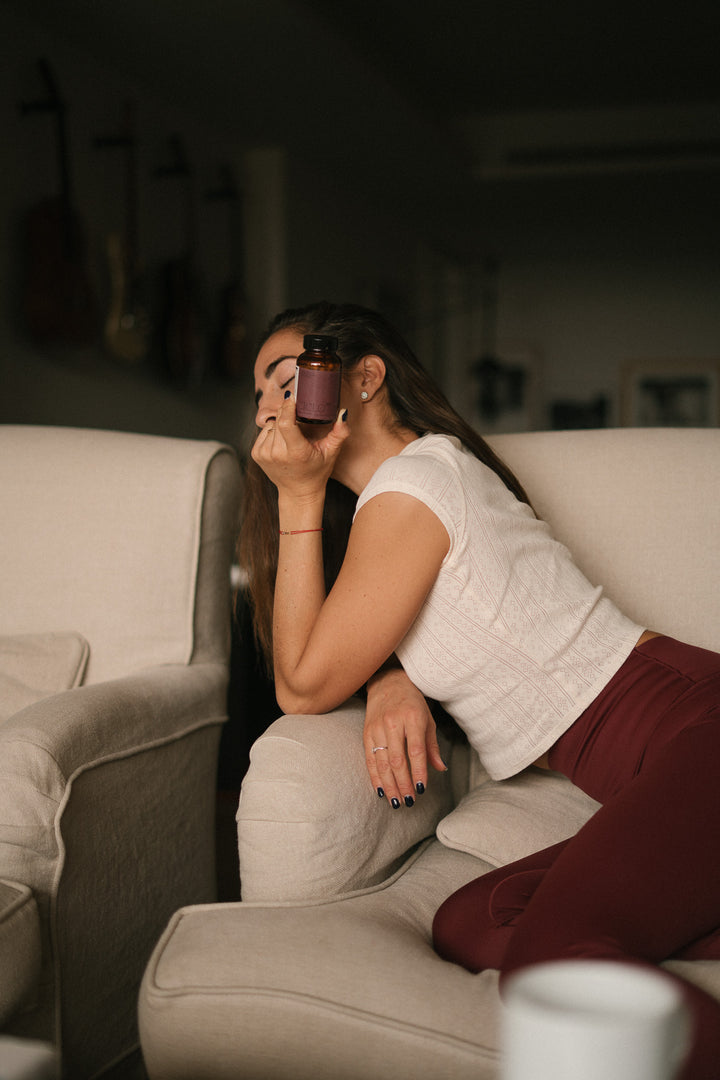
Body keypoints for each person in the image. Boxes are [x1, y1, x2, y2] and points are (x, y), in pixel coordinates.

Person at [239, 300, 720, 1078]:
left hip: (696, 723)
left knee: (551, 956)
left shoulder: (415, 481)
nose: (269, 405)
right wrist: (393, 678)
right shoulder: (390, 503)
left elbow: (302, 684)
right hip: (668, 758)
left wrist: (297, 496)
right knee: (469, 919)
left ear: (364, 378)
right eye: (258, 393)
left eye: (289, 378)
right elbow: (386, 637)